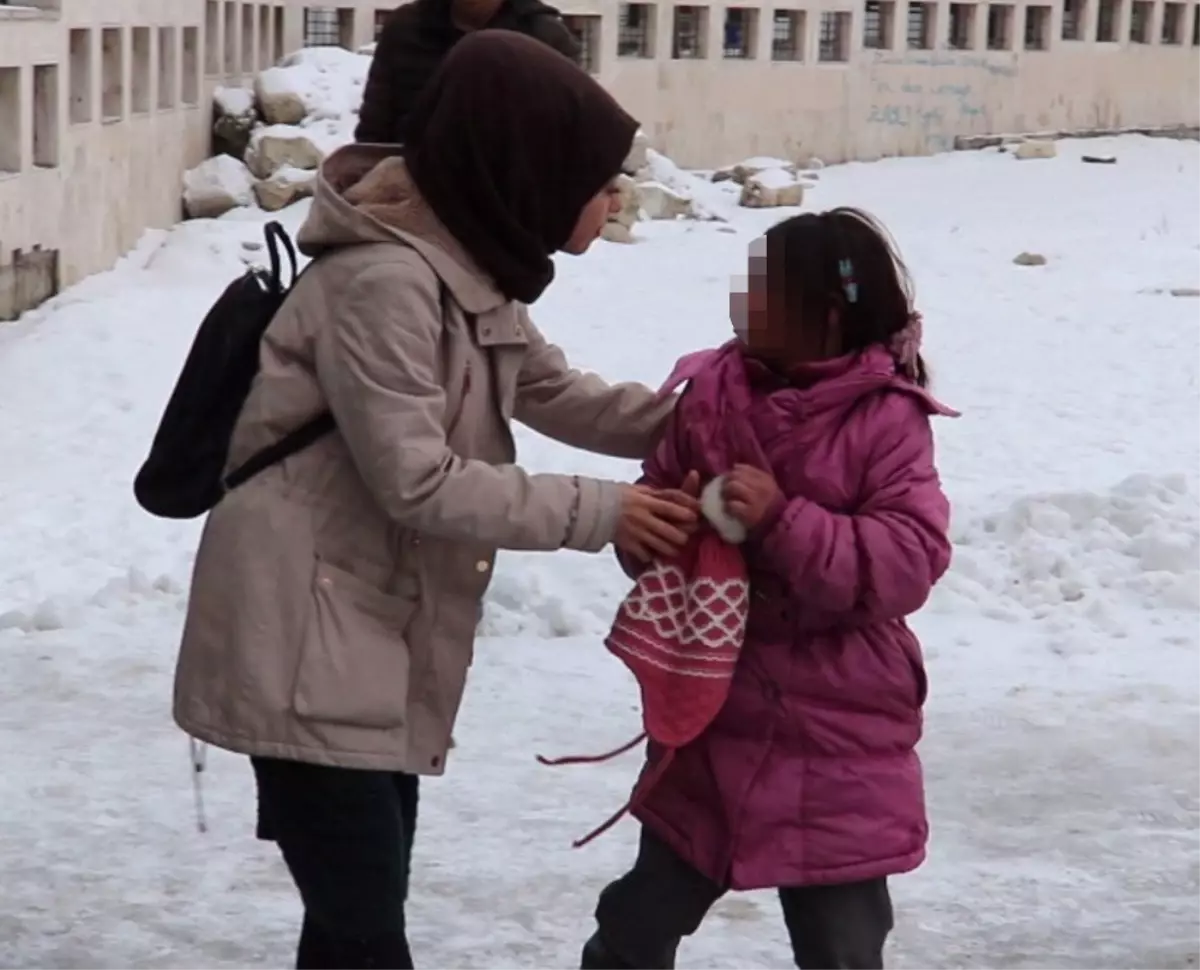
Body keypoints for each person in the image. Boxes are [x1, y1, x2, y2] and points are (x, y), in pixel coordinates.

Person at [173, 31, 698, 970]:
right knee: (366, 923)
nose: (612, 197)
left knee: (352, 922)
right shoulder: (384, 280)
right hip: (301, 631)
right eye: (594, 176)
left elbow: (549, 387)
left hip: (359, 636)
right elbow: (418, 482)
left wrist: (699, 426)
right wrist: (610, 512)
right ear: (525, 167)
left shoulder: (457, 261)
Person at [579, 208, 958, 970]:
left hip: (840, 733)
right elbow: (653, 499)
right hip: (713, 715)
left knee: (842, 944)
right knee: (638, 923)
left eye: (763, 293)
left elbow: (910, 557)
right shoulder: (710, 391)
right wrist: (660, 526)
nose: (740, 306)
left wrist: (784, 521)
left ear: (824, 317)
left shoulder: (885, 419)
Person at [356, 0, 580, 144]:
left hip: (514, 199)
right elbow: (374, 129)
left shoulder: (546, 37)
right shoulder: (405, 27)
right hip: (411, 190)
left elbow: (577, 133)